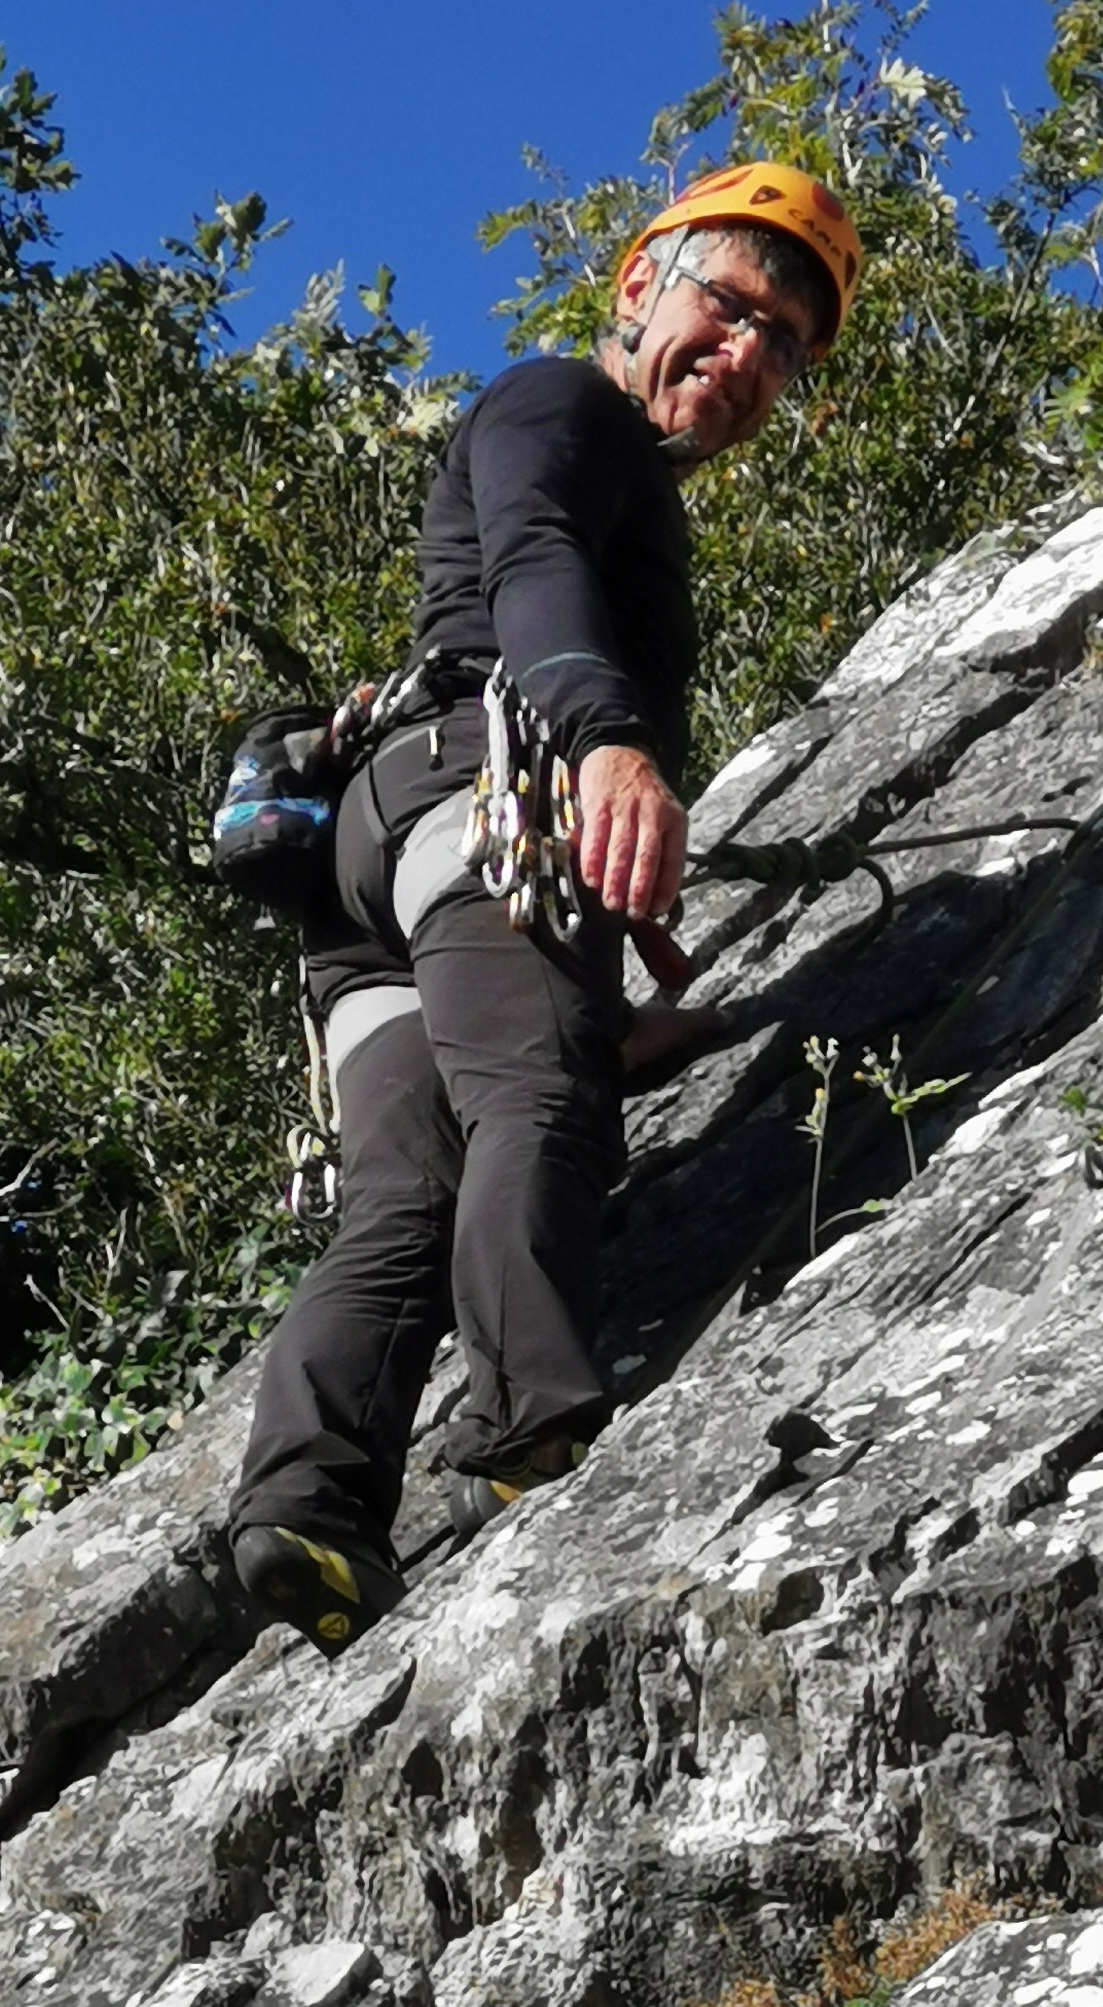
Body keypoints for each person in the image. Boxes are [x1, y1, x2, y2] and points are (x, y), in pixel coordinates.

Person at [227, 164, 863, 1653]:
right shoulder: (563, 409)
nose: (751, 354)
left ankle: (303, 1511)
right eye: (734, 304)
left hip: (374, 875)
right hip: (484, 786)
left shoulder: (591, 444)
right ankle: (543, 1428)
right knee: (541, 1098)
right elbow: (533, 559)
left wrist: (608, 970)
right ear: (639, 286)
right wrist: (608, 740)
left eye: (788, 344)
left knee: (408, 1188)